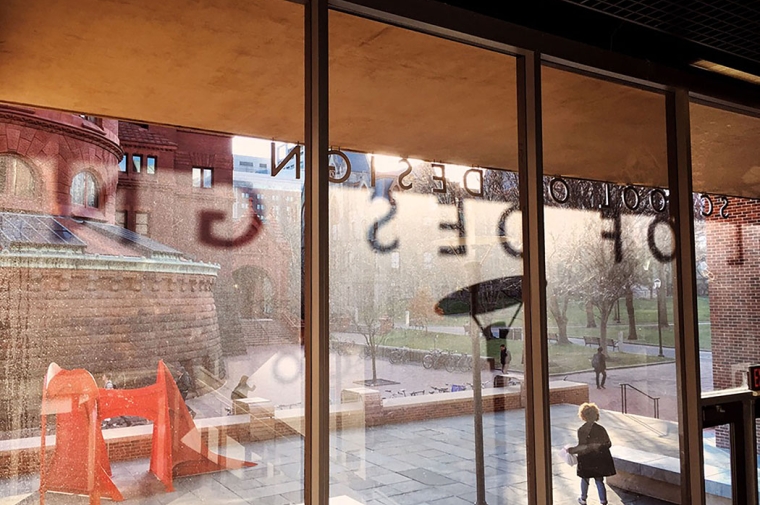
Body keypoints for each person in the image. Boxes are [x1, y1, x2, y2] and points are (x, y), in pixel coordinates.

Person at [567, 402, 616, 505]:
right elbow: (608, 443)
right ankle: (603, 501)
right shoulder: (601, 429)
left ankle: (583, 499)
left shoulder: (581, 430)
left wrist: (572, 450)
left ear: (583, 416)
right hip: (599, 460)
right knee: (599, 480)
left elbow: (582, 446)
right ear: (596, 415)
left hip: (586, 460)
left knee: (585, 479)